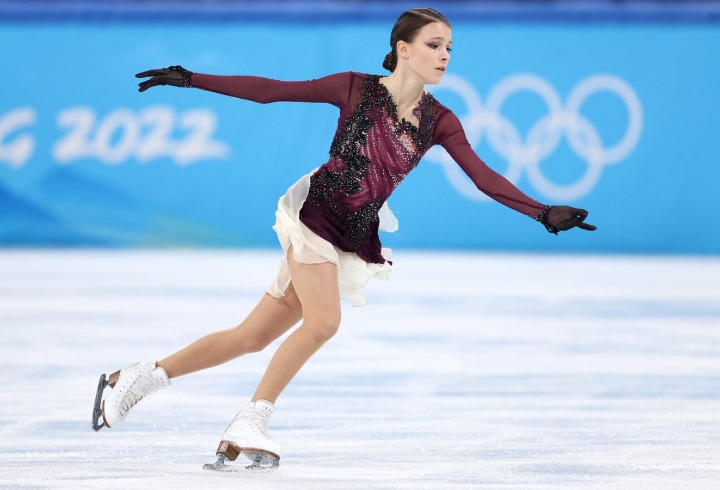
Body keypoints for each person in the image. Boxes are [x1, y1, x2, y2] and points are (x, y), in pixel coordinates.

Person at [92, 8, 596, 471]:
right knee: (324, 322)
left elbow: (483, 177)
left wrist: (541, 212)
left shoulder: (440, 121)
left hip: (352, 234)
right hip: (314, 215)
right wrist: (193, 79)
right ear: (403, 48)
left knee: (252, 336)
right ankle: (251, 420)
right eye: (434, 45)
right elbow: (270, 90)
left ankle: (137, 376)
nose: (445, 56)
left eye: (449, 48)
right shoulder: (354, 87)